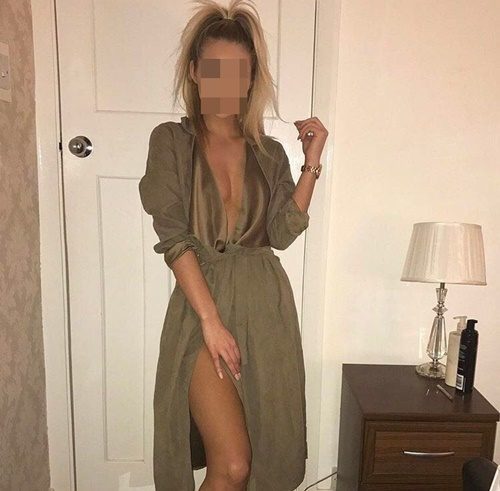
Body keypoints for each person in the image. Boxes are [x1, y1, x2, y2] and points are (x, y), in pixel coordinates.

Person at [138, 1, 328, 489]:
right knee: (234, 463)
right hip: (202, 305)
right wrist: (210, 321)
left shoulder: (269, 153)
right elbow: (173, 237)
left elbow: (282, 233)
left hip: (265, 307)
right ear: (195, 72)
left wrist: (311, 163)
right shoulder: (171, 142)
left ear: (250, 79)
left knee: (263, 458)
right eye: (215, 68)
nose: (226, 82)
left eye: (238, 71)